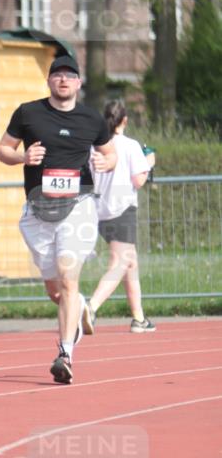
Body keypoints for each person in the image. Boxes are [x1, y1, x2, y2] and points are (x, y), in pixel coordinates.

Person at [0, 55, 116, 384]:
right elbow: (2, 150)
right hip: (38, 211)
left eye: (70, 76)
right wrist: (22, 156)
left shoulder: (92, 119)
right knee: (56, 291)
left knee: (67, 275)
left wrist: (107, 163)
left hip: (77, 208)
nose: (63, 80)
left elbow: (110, 153)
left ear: (78, 83)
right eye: (57, 75)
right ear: (49, 81)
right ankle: (78, 309)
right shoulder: (28, 113)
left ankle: (65, 353)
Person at [87, 101, 156, 333]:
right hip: (122, 208)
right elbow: (138, 180)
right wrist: (149, 164)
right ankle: (91, 307)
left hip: (100, 209)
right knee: (120, 263)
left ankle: (139, 318)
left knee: (130, 262)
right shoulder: (130, 145)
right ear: (124, 120)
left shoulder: (95, 145)